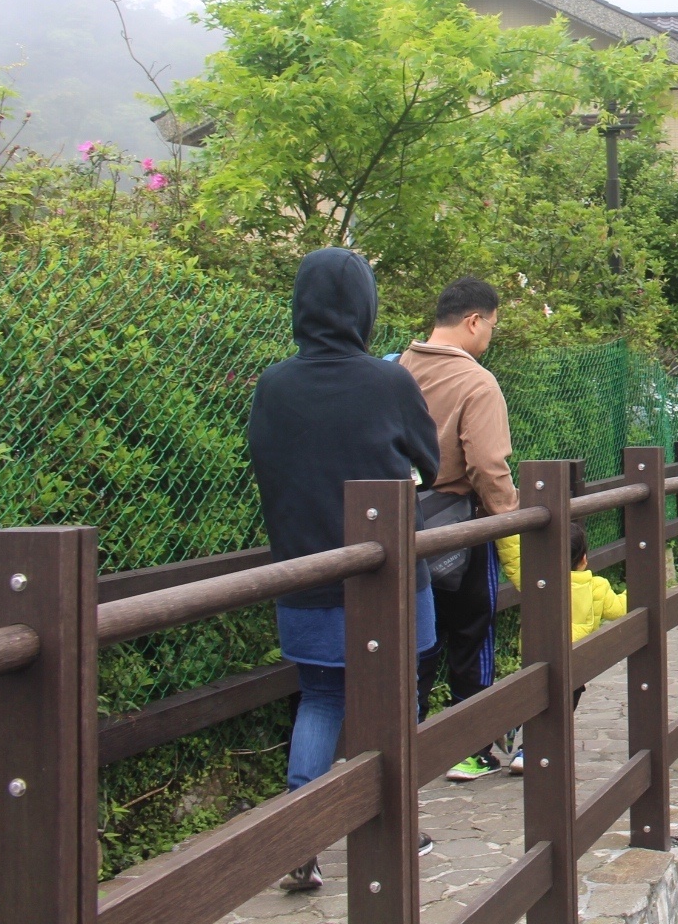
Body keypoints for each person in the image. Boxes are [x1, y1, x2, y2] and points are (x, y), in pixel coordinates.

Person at [248, 248, 442, 890]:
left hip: (303, 574)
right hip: (387, 574)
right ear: (365, 307)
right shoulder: (389, 382)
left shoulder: (274, 385)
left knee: (323, 696)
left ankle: (301, 840)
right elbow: (433, 465)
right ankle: (398, 819)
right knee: (397, 695)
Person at [399, 278, 517, 783]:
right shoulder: (476, 382)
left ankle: (410, 744)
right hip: (460, 524)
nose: (490, 336)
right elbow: (488, 465)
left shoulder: (397, 370)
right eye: (491, 325)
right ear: (473, 320)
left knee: (419, 639)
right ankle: (473, 748)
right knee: (472, 632)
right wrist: (511, 518)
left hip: (403, 521)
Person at [505, 522, 627, 772]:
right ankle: (530, 750)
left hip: (535, 651)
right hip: (574, 661)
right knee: (560, 705)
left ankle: (513, 724)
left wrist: (507, 521)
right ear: (584, 559)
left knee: (534, 694)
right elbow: (619, 609)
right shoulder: (597, 586)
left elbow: (512, 555)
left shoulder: (534, 578)